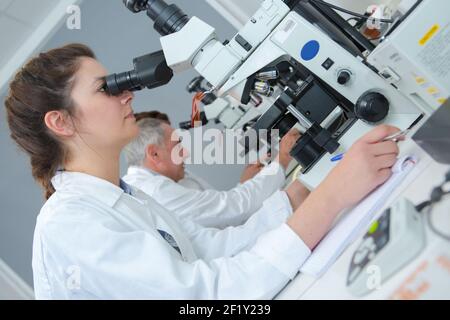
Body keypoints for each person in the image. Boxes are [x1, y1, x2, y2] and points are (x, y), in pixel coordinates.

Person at [5, 43, 401, 299]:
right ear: (61, 122)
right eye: (105, 88)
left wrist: (315, 188)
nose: (127, 93)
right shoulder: (71, 225)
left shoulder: (129, 197)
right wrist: (332, 198)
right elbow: (207, 298)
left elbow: (222, 248)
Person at [123, 115, 307, 228]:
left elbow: (217, 212)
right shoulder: (156, 192)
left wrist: (243, 185)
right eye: (177, 146)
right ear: (154, 153)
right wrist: (282, 159)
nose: (185, 153)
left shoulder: (168, 179)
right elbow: (233, 208)